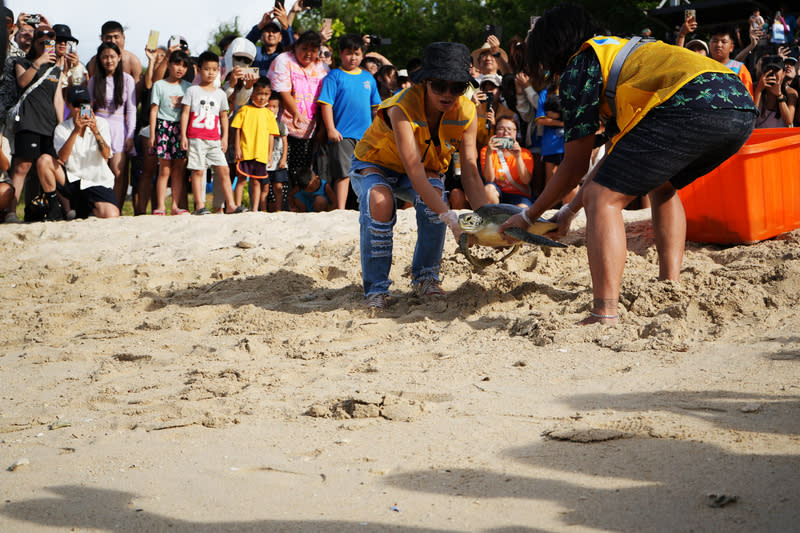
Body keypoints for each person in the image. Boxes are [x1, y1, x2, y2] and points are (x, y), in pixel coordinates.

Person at [499, 4, 757, 325]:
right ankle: (669, 283)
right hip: (738, 104)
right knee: (661, 184)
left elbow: (576, 165)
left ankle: (604, 311)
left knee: (603, 199)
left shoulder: (582, 63)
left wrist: (528, 216)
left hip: (691, 103)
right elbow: (611, 160)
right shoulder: (624, 55)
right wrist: (567, 212)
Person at [350, 42, 488, 309]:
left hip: (426, 167)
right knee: (379, 201)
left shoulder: (469, 113)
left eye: (457, 87)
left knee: (434, 199)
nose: (448, 94)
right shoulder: (401, 107)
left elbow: (470, 170)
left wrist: (487, 219)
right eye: (439, 85)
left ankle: (426, 278)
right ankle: (376, 289)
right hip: (376, 163)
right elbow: (413, 172)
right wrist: (452, 220)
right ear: (424, 82)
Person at [316, 34, 381, 210]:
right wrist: (330, 129)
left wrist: (378, 132)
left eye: (357, 53)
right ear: (340, 54)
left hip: (366, 136)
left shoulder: (368, 78)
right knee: (343, 174)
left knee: (367, 173)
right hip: (341, 134)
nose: (353, 57)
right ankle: (341, 209)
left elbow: (376, 108)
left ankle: (368, 207)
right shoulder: (334, 76)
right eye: (348, 53)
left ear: (363, 54)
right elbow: (326, 104)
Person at [36, 86, 119, 220]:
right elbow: (62, 158)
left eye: (84, 104)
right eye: (76, 105)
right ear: (68, 105)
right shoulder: (61, 129)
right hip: (72, 179)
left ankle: (86, 211)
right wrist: (76, 130)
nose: (80, 109)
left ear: (90, 104)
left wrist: (95, 130)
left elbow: (106, 154)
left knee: (112, 214)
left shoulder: (102, 124)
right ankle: (54, 208)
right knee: (44, 160)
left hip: (96, 180)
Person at [8, 25, 64, 209]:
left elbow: (58, 99)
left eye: (49, 43)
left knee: (50, 167)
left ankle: (54, 209)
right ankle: (11, 212)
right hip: (28, 122)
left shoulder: (56, 70)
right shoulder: (22, 62)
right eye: (41, 43)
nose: (45, 46)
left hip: (49, 125)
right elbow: (22, 82)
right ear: (33, 43)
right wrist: (38, 62)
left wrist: (61, 124)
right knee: (22, 168)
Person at [180, 51, 243, 215]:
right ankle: (200, 205)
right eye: (207, 69)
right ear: (199, 70)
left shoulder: (220, 93)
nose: (210, 72)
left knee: (224, 169)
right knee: (198, 171)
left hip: (214, 139)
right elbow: (185, 113)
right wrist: (184, 135)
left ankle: (230, 204)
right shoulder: (192, 91)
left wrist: (225, 138)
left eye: (214, 69)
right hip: (196, 137)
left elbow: (224, 116)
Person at [267, 30, 329, 190]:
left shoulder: (323, 67)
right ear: (296, 47)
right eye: (304, 49)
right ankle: (280, 206)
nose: (308, 54)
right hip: (283, 127)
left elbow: (326, 100)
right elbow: (283, 91)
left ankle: (298, 205)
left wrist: (322, 128)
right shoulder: (284, 59)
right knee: (280, 170)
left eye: (313, 50)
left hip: (310, 130)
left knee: (302, 172)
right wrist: (295, 113)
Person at [88, 41, 136, 209]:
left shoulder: (128, 80)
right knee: (99, 170)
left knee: (118, 171)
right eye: (105, 57)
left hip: (119, 128)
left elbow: (132, 110)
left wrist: (130, 135)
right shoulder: (94, 80)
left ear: (119, 57)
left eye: (112, 57)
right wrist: (89, 130)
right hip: (98, 126)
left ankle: (117, 207)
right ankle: (98, 207)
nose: (109, 61)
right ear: (99, 59)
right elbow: (88, 107)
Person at [149, 50, 191, 215]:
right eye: (177, 64)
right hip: (163, 126)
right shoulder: (159, 85)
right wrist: (153, 134)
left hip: (182, 128)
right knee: (164, 169)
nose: (180, 68)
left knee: (178, 170)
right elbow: (153, 110)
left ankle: (175, 205)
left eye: (184, 66)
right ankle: (160, 206)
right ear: (169, 65)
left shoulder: (188, 87)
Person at [231, 77, 279, 211]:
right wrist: (237, 147)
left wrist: (270, 154)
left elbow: (271, 136)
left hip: (261, 153)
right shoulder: (244, 110)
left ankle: (255, 209)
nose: (262, 97)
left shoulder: (269, 114)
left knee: (256, 181)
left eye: (266, 94)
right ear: (252, 93)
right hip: (246, 150)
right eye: (259, 93)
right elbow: (237, 129)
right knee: (241, 179)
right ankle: (238, 206)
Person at [481, 116, 534, 208]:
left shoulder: (525, 153)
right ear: (495, 132)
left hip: (518, 194)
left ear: (516, 132)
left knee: (523, 209)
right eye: (501, 129)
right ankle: (493, 217)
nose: (505, 133)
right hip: (497, 192)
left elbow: (526, 181)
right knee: (488, 189)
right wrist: (489, 154)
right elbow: (489, 179)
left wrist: (518, 157)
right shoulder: (487, 150)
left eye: (510, 129)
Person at [87, 21, 143, 99]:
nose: (113, 41)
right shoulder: (94, 62)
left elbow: (137, 93)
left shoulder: (133, 61)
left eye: (116, 37)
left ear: (123, 37)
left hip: (123, 109)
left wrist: (128, 111)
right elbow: (89, 93)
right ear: (102, 38)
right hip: (98, 108)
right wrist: (86, 111)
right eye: (108, 37)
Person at [708, 27, 754, 97]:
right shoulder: (703, 67)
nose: (719, 45)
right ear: (709, 44)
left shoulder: (740, 68)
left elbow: (749, 97)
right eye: (715, 41)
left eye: (724, 42)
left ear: (731, 47)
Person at [754, 55, 797, 128]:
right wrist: (759, 90)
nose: (773, 73)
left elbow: (789, 122)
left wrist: (780, 96)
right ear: (762, 72)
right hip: (758, 137)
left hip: (779, 138)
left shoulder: (790, 93)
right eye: (769, 69)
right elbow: (751, 117)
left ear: (783, 73)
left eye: (776, 70)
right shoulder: (754, 87)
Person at [264, 91, 288, 211]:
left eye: (274, 106)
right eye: (269, 106)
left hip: (278, 160)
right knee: (265, 186)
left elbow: (285, 142)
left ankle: (279, 210)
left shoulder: (281, 124)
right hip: (264, 160)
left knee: (278, 186)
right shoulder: (261, 123)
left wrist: (284, 158)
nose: (271, 109)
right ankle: (262, 209)